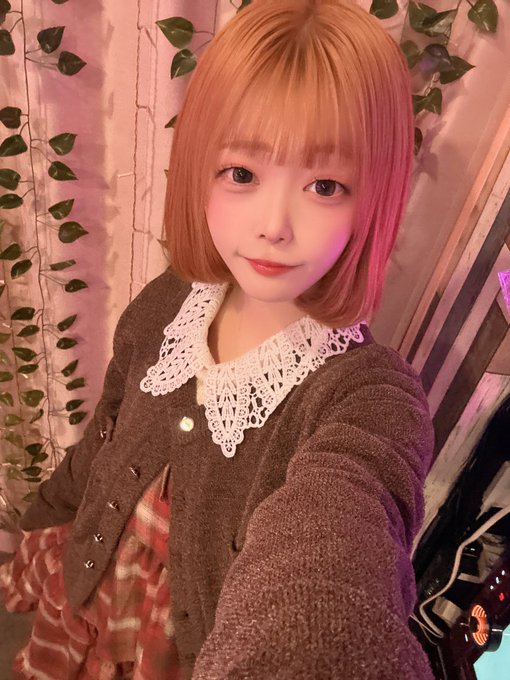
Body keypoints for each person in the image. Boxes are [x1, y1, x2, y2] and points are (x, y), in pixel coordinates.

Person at [0, 0, 436, 678]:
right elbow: (103, 437)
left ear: (374, 197)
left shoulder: (366, 398)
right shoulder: (170, 300)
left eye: (325, 185)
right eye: (242, 174)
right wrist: (44, 517)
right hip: (84, 592)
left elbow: (339, 541)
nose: (273, 225)